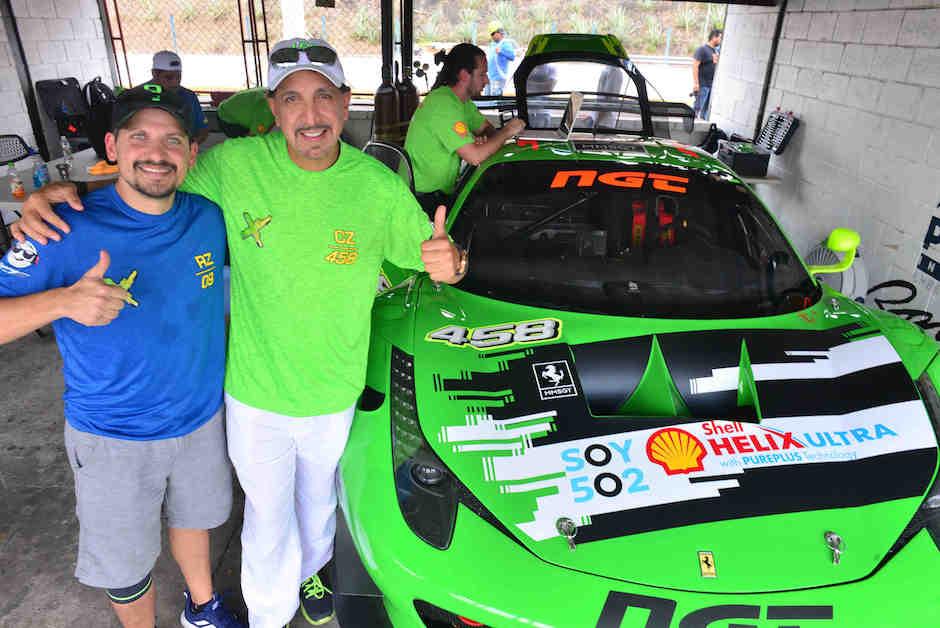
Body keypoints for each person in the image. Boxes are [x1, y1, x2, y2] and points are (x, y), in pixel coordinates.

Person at [13, 38, 466, 628]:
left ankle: (312, 573)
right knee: (267, 516)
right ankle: (270, 616)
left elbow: (432, 253)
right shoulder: (234, 167)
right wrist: (60, 199)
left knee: (319, 504)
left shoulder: (377, 186)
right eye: (292, 99)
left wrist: (451, 262)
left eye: (324, 97)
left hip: (335, 389)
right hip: (253, 394)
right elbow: (150, 183)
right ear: (272, 110)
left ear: (345, 103)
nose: (310, 114)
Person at [0, 85, 241, 628]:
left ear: (191, 153)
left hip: (200, 419)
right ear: (112, 145)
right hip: (114, 436)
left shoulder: (206, 217)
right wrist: (62, 301)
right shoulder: (61, 227)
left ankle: (203, 607)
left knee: (194, 518)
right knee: (126, 561)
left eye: (172, 139)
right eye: (139, 137)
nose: (156, 152)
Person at [405, 43, 525, 214]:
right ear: (464, 75)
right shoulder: (444, 105)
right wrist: (507, 132)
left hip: (439, 193)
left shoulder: (461, 102)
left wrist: (485, 141)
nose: (487, 80)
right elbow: (475, 157)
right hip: (424, 200)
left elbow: (487, 130)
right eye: (482, 74)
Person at [149, 50, 210, 143]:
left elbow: (203, 129)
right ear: (154, 74)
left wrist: (190, 147)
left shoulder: (189, 96)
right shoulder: (137, 98)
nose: (175, 82)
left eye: (179, 77)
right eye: (169, 77)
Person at [692, 29, 722, 120]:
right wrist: (696, 83)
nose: (721, 40)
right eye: (720, 38)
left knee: (705, 113)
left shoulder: (715, 51)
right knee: (697, 109)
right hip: (703, 84)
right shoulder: (702, 49)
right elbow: (695, 66)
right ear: (714, 37)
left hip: (711, 85)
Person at [485, 23, 515, 97]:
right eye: (490, 34)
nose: (491, 36)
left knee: (495, 99)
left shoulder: (505, 44)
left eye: (492, 34)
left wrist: (501, 52)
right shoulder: (493, 44)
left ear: (499, 32)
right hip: (489, 77)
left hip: (498, 78)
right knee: (487, 98)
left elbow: (512, 56)